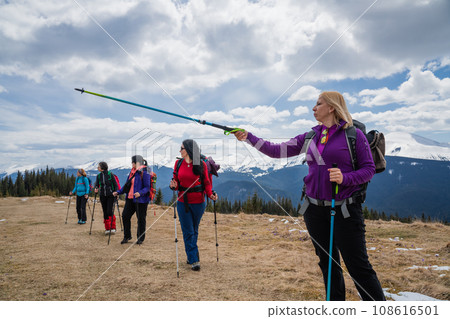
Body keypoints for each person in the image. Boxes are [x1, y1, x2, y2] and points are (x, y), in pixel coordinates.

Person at [233, 91, 385, 301]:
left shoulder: (353, 135)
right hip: (314, 210)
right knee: (328, 263)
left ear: (331, 107)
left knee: (358, 267)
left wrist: (345, 178)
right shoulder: (311, 136)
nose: (314, 108)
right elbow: (276, 150)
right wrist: (249, 137)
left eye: (318, 104)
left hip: (345, 210)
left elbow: (369, 169)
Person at [169, 139, 218, 271]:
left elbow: (206, 183)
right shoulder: (178, 164)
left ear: (189, 150)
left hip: (198, 203)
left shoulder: (200, 164)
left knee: (194, 230)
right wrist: (173, 186)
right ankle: (194, 259)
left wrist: (210, 194)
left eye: (182, 148)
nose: (180, 151)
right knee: (188, 231)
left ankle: (191, 255)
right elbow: (176, 181)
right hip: (182, 202)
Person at [113, 155, 151, 245]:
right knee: (125, 216)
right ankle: (127, 236)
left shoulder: (145, 171)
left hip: (141, 200)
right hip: (130, 198)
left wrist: (140, 193)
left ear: (137, 162)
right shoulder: (132, 171)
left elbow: (147, 187)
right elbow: (127, 185)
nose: (131, 164)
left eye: (132, 162)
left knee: (141, 219)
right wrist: (118, 192)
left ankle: (140, 238)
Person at [94, 161, 118, 235]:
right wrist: (96, 188)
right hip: (102, 196)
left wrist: (116, 192)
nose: (98, 168)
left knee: (109, 211)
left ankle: (113, 228)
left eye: (99, 166)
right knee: (105, 212)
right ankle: (107, 228)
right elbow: (96, 184)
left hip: (110, 196)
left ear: (102, 167)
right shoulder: (98, 176)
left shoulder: (110, 175)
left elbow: (115, 185)